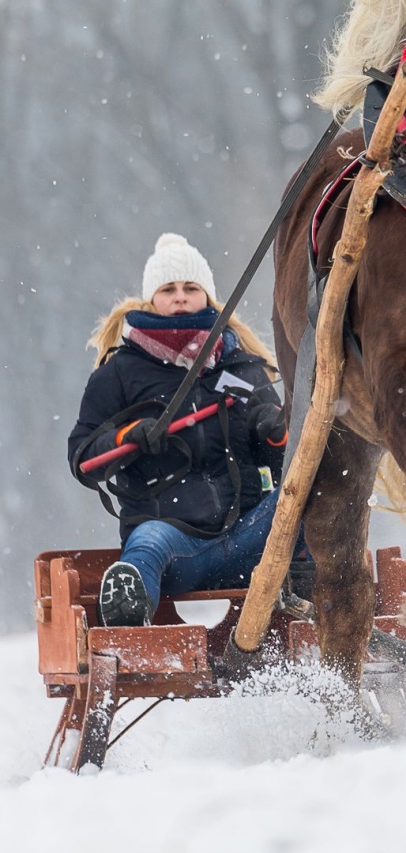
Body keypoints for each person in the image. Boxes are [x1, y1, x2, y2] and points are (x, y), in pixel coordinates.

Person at [69, 232, 308, 627]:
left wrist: (274, 433)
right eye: (169, 289)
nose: (180, 297)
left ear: (208, 297)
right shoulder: (118, 375)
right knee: (147, 542)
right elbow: (82, 460)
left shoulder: (244, 367)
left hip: (255, 541)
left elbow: (285, 457)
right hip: (173, 549)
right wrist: (127, 439)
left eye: (191, 288)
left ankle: (314, 592)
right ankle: (129, 611)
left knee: (303, 496)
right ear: (151, 300)